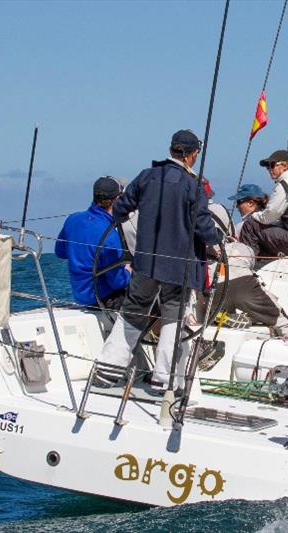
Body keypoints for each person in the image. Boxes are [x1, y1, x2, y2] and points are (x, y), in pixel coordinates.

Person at [96, 129, 220, 393]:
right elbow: (202, 225)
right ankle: (165, 378)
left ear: (172, 149)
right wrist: (217, 240)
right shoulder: (192, 185)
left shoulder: (147, 176)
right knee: (173, 319)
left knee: (132, 314)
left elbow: (120, 209)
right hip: (179, 268)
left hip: (146, 263)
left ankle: (107, 371)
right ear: (192, 154)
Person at [55, 176, 131, 308]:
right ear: (118, 199)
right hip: (103, 299)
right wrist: (129, 270)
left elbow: (60, 252)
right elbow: (117, 282)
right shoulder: (110, 235)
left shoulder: (73, 220)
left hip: (80, 296)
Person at [208, 242, 288, 338]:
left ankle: (221, 315)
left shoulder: (219, 248)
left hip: (214, 284)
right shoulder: (246, 249)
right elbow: (267, 297)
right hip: (242, 281)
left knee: (223, 309)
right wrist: (277, 309)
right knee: (277, 316)